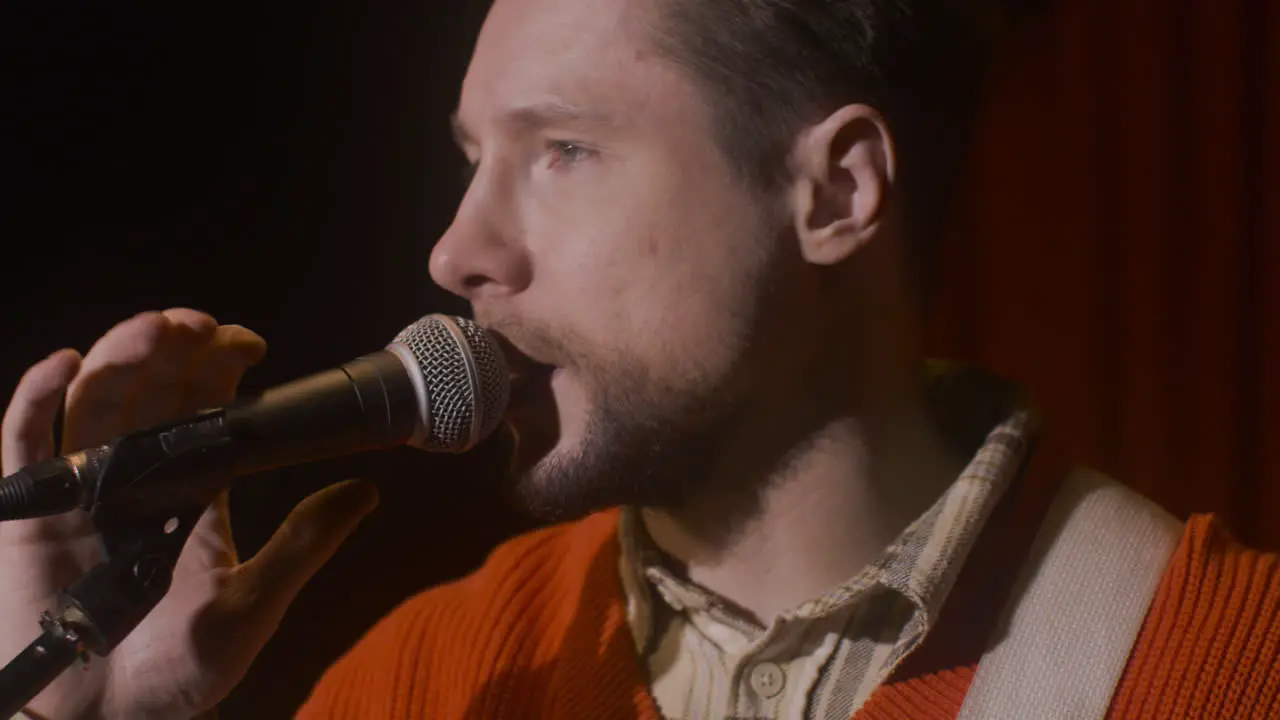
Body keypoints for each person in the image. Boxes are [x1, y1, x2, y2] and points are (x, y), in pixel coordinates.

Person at [3, 0, 1279, 717]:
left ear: (836, 191)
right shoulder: (427, 682)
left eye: (562, 151)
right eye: (471, 159)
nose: (456, 250)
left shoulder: (1217, 668)